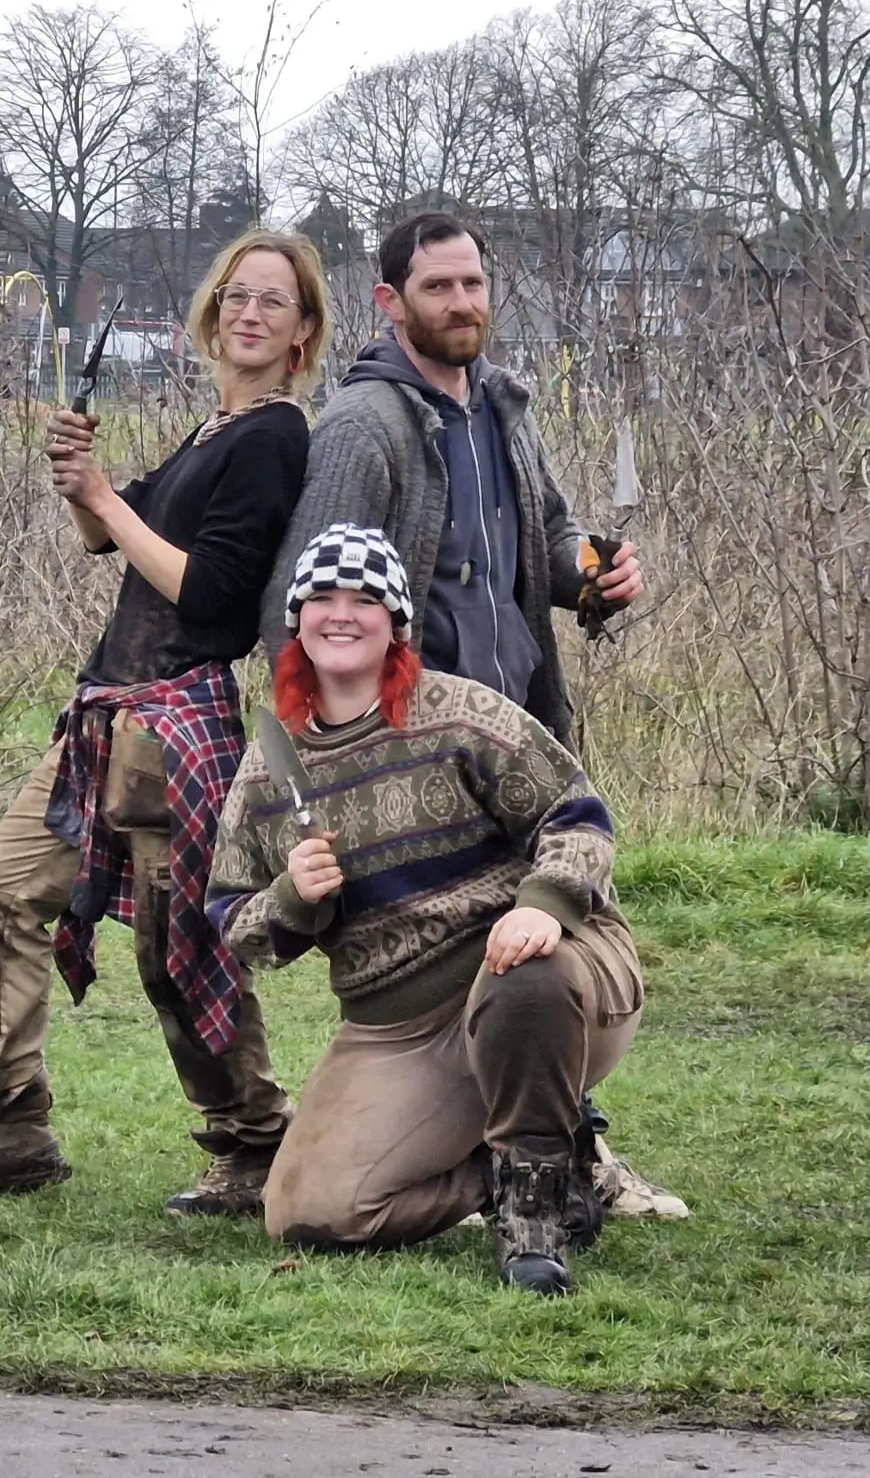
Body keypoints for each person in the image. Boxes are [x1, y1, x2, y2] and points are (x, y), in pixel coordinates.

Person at [258, 210, 683, 1221]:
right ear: (389, 302)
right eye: (439, 288)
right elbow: (307, 597)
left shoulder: (501, 407)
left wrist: (592, 574)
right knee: (461, 967)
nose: (461, 304)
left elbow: (542, 538)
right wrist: (330, 753)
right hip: (421, 763)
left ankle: (562, 1157)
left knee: (541, 953)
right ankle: (513, 1167)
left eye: (472, 285)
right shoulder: (366, 427)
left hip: (519, 747)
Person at [0, 230, 331, 1210]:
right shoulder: (211, 431)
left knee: (175, 943)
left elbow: (208, 591)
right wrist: (81, 481)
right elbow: (109, 534)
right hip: (102, 716)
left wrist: (102, 495)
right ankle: (10, 1127)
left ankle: (251, 1143)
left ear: (302, 331)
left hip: (173, 721)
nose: (248, 312)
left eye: (272, 301)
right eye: (235, 294)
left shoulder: (275, 437)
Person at [210, 525, 644, 1294]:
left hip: (541, 976)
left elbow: (579, 818)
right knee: (311, 1213)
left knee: (525, 978)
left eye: (365, 600)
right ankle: (514, 1165)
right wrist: (294, 898)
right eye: (322, 599)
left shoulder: (463, 714)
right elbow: (235, 927)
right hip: (399, 1027)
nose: (341, 615)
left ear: (398, 624)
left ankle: (533, 1218)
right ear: (296, 622)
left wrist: (545, 904)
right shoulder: (269, 772)